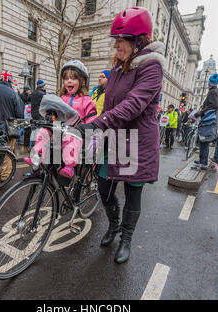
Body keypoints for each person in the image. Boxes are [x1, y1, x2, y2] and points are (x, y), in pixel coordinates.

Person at [77, 7, 164, 264]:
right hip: (113, 139)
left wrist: (99, 124)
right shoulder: (116, 69)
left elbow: (134, 105)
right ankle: (113, 226)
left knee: (132, 193)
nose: (117, 47)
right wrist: (91, 123)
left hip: (136, 142)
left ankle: (126, 239)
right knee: (103, 187)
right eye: (116, 42)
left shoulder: (151, 67)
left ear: (138, 41)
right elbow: (109, 106)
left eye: (121, 42)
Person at [24, 59, 97, 179]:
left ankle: (69, 167)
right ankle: (36, 157)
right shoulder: (61, 98)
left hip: (77, 135)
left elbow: (92, 121)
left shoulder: (86, 101)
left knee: (70, 136)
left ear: (82, 81)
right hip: (60, 131)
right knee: (43, 131)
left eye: (73, 78)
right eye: (66, 78)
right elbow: (55, 116)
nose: (68, 80)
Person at [0, 69, 25, 153]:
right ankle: (5, 166)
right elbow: (19, 113)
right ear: (10, 81)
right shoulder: (13, 93)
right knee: (7, 154)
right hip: (7, 129)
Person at [191, 73, 218, 171]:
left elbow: (213, 106)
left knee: (203, 141)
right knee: (203, 141)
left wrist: (200, 113)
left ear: (210, 83)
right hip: (212, 121)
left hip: (208, 121)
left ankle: (203, 163)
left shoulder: (212, 92)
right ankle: (202, 161)